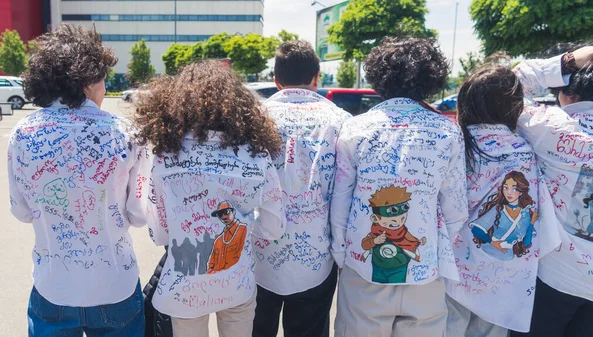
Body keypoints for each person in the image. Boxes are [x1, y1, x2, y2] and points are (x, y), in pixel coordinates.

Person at [8, 24, 151, 337]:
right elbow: (139, 216)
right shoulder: (127, 133)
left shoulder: (23, 133)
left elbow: (20, 212)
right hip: (116, 284)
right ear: (89, 80)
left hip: (54, 285)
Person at [329, 36, 469, 337]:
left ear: (379, 78)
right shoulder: (448, 131)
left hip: (363, 271)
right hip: (424, 275)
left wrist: (342, 256)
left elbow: (340, 201)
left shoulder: (356, 127)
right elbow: (456, 211)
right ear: (432, 79)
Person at [135, 60, 285, 337]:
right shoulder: (256, 154)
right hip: (236, 281)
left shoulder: (166, 156)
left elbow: (159, 233)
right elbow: (274, 226)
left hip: (184, 287)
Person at [444, 62, 560, 337]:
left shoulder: (457, 142)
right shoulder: (524, 149)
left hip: (454, 270)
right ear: (515, 106)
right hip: (503, 278)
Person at [251, 40, 351, 337]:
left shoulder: (253, 118)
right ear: (316, 77)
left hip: (259, 253)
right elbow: (344, 193)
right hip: (317, 256)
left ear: (276, 79)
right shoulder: (340, 120)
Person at [509, 45, 593, 337]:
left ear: (567, 94)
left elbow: (505, 85)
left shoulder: (553, 126)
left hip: (554, 277)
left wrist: (568, 61)